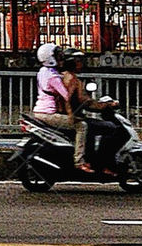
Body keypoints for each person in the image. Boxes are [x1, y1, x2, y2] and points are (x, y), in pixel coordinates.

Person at [32, 42, 91, 173]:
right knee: (82, 126)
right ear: (50, 58)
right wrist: (72, 114)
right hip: (49, 113)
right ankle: (79, 161)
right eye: (58, 55)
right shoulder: (53, 77)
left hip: (39, 111)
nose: (60, 58)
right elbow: (66, 96)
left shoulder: (43, 71)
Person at [61, 49, 118, 174]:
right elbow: (83, 101)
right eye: (78, 61)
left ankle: (93, 161)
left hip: (69, 116)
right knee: (110, 128)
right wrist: (106, 105)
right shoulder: (72, 80)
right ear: (71, 62)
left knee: (93, 129)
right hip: (73, 117)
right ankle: (102, 164)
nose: (81, 63)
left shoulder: (64, 76)